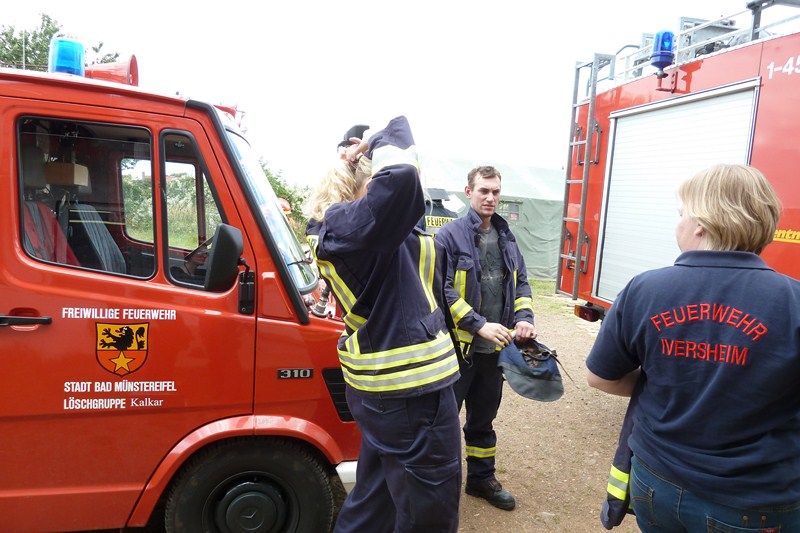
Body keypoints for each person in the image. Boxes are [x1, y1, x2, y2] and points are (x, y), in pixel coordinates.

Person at [586, 164, 800, 532]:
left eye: (682, 213)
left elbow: (600, 377)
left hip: (655, 481)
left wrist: (668, 382)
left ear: (701, 223)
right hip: (753, 501)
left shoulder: (645, 289)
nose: (679, 223)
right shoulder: (793, 301)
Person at [307, 116, 462, 533]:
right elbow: (403, 179)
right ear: (363, 188)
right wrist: (377, 141)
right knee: (428, 514)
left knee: (375, 504)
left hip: (389, 393)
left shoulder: (352, 232)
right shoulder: (350, 226)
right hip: (411, 394)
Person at [436, 165, 536, 511]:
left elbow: (521, 282)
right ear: (469, 192)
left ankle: (480, 479)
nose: (490, 197)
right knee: (443, 423)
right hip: (458, 351)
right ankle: (439, 490)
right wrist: (478, 324)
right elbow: (442, 290)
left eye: (495, 192)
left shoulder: (507, 237)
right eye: (483, 191)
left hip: (495, 352)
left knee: (483, 419)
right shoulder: (449, 237)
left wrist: (524, 319)